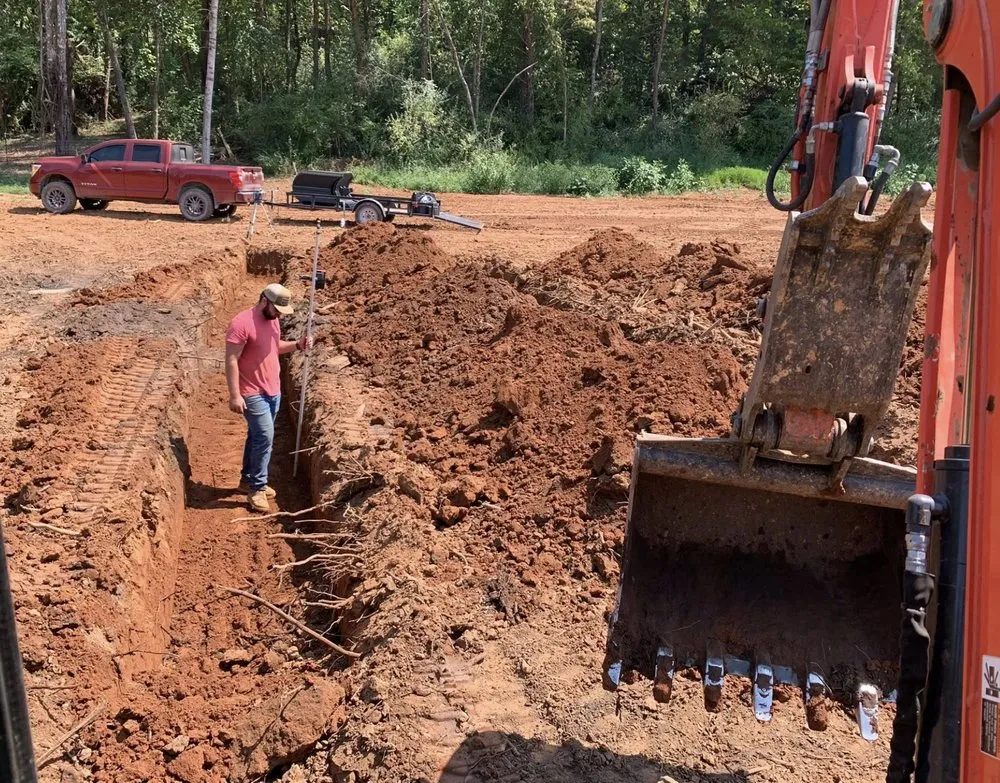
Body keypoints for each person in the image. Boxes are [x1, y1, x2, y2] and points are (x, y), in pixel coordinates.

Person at [225, 283, 311, 512]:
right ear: (264, 300)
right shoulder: (241, 324)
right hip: (251, 392)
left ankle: (247, 480)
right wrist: (235, 395)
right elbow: (231, 360)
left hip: (273, 391)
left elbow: (274, 348)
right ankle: (257, 488)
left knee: (256, 437)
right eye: (276, 310)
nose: (278, 315)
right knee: (265, 438)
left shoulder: (273, 320)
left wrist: (297, 346)